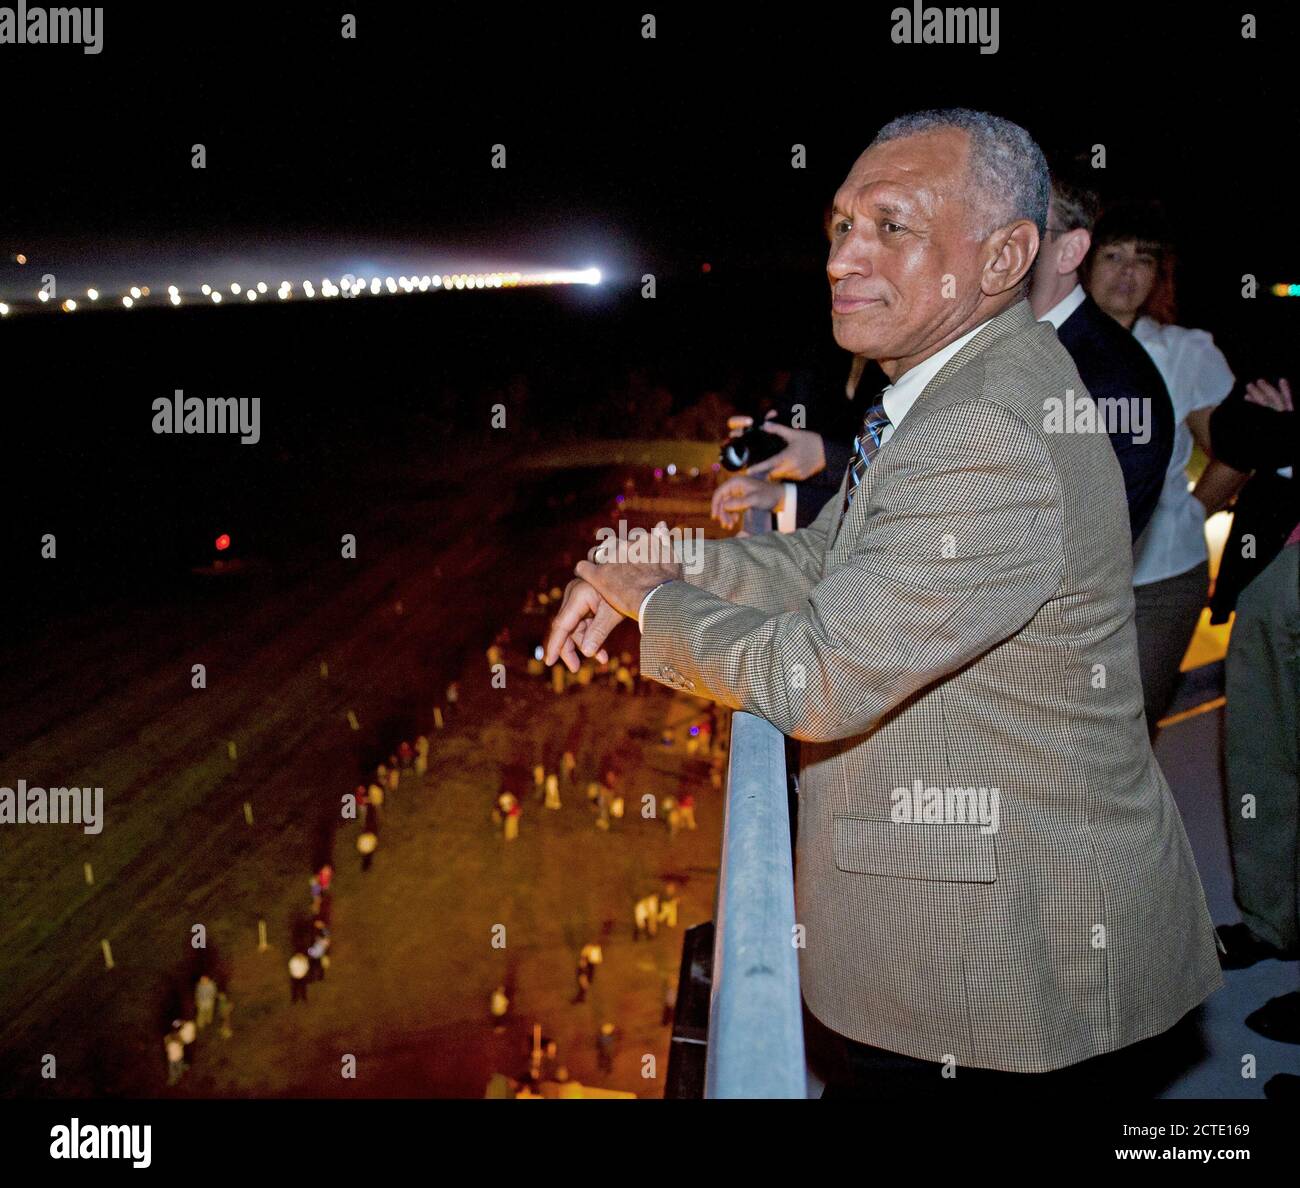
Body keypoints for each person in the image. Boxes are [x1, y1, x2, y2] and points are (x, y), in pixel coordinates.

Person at [546, 108, 1222, 1096]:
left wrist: (652, 606)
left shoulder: (984, 429)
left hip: (990, 972)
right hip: (975, 932)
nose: (844, 256)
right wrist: (653, 557)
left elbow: (815, 676)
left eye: (893, 226)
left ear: (1004, 258)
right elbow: (828, 554)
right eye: (840, 227)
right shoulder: (967, 383)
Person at [1087, 200, 1245, 737]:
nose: (1129, 272)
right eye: (1114, 256)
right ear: (1081, 261)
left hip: (1160, 579)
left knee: (1131, 729)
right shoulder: (1044, 347)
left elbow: (1236, 451)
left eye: (1145, 259)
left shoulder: (1184, 352)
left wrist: (1187, 513)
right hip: (1062, 582)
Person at [1207, 377, 1300, 986]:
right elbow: (1232, 433)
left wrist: (1286, 435)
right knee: (1260, 753)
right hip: (1272, 563)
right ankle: (1273, 920)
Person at [1027, 168, 1174, 541]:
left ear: (1071, 251)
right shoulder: (986, 343)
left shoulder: (1118, 384)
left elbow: (1084, 547)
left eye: (1023, 233)